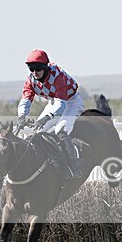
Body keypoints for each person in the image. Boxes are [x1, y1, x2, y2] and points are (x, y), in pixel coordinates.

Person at [17, 49, 84, 178]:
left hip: (71, 102)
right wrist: (21, 116)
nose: (34, 73)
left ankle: (74, 167)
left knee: (60, 129)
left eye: (37, 68)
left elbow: (61, 104)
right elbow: (26, 99)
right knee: (37, 131)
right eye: (31, 68)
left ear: (45, 66)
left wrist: (47, 117)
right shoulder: (31, 80)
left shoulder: (58, 76)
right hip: (54, 102)